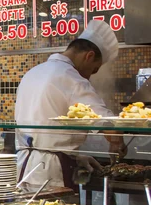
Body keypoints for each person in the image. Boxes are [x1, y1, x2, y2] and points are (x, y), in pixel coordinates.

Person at [15, 20, 126, 190]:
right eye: (94, 69)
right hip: (52, 174)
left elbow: (43, 136)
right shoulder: (73, 79)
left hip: (23, 166)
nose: (90, 76)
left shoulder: (32, 73)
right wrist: (117, 143)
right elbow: (109, 125)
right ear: (88, 56)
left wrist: (76, 157)